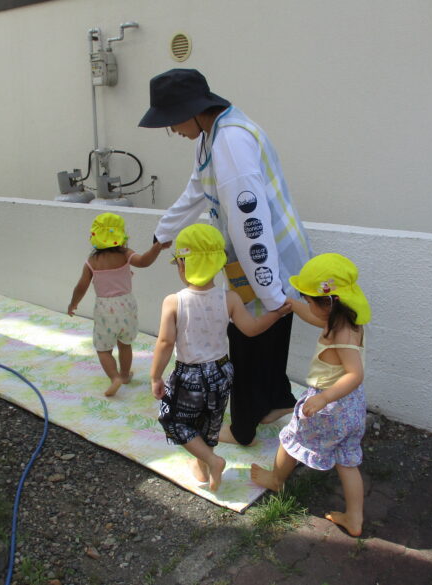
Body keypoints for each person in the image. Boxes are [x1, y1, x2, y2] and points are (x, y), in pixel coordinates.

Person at [139, 68, 312, 446]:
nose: (173, 131)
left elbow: (251, 224)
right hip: (259, 262)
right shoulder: (214, 135)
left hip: (265, 259)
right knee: (271, 332)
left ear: (190, 111)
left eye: (171, 123)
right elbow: (194, 192)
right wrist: (161, 236)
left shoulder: (230, 143)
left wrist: (270, 294)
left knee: (248, 341)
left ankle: (244, 426)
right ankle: (275, 401)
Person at [150, 224, 291, 491]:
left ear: (182, 264)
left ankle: (211, 461)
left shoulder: (174, 301)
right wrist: (275, 314)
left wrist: (155, 375)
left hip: (189, 373)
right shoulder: (231, 298)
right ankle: (203, 467)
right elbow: (250, 329)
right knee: (210, 421)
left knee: (174, 420)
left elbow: (166, 342)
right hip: (222, 371)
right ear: (217, 263)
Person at [251, 253, 370, 537]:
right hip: (353, 408)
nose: (306, 304)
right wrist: (292, 305)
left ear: (327, 303)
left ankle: (276, 479)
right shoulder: (346, 321)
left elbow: (355, 374)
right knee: (347, 460)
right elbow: (315, 317)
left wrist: (323, 398)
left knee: (291, 438)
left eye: (308, 300)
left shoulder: (339, 334)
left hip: (331, 406)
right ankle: (354, 517)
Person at [68, 212, 163, 396]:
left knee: (103, 349)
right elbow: (144, 261)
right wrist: (157, 247)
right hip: (127, 306)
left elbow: (81, 286)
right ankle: (125, 375)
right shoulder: (125, 254)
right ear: (121, 235)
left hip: (105, 309)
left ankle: (115, 377)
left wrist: (73, 303)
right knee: (125, 344)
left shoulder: (92, 261)